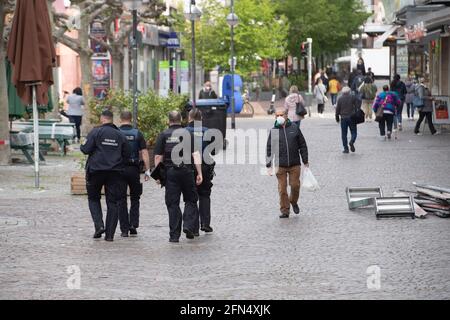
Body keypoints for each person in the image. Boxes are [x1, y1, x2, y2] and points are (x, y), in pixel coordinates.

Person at [80, 110, 131, 241]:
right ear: (112, 119)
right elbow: (127, 155)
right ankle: (110, 235)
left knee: (93, 198)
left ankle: (99, 225)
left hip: (96, 171)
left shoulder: (96, 132)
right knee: (112, 202)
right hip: (114, 173)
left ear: (102, 119)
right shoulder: (120, 135)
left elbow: (85, 149)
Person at [154, 111, 203, 243]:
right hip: (187, 171)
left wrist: (158, 176)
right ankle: (187, 225)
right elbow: (196, 154)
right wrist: (199, 173)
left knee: (172, 203)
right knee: (191, 200)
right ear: (181, 120)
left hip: (170, 173)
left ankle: (174, 235)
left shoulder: (163, 135)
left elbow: (158, 157)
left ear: (168, 120)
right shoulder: (188, 134)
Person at [266, 108, 309, 218]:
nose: (279, 117)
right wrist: (268, 165)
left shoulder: (294, 128)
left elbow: (302, 145)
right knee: (282, 188)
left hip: (295, 164)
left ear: (286, 115)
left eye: (281, 114)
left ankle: (293, 201)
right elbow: (270, 148)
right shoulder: (274, 130)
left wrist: (305, 161)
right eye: (277, 115)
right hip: (280, 165)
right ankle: (285, 210)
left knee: (295, 186)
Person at [118, 111, 151, 238]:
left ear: (121, 119)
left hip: (119, 169)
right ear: (131, 119)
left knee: (121, 199)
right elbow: (144, 152)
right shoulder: (137, 133)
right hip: (134, 169)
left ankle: (124, 229)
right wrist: (147, 170)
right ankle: (133, 224)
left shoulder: (117, 133)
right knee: (135, 198)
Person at [185, 109, 216, 235]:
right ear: (201, 118)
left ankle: (193, 227)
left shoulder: (184, 131)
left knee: (190, 197)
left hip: (188, 167)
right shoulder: (207, 131)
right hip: (204, 166)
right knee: (204, 195)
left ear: (189, 117)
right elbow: (213, 151)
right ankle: (205, 223)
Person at [335, 87, 360, 153]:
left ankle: (346, 149)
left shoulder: (340, 99)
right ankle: (352, 141)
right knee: (354, 132)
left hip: (343, 118)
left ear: (343, 92)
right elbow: (358, 104)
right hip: (352, 117)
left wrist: (337, 117)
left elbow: (337, 109)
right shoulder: (353, 97)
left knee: (344, 134)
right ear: (349, 92)